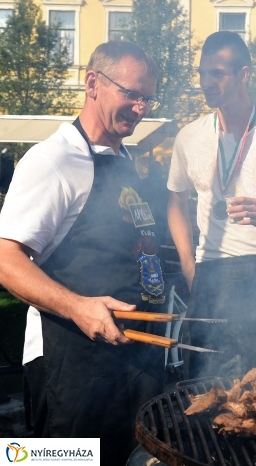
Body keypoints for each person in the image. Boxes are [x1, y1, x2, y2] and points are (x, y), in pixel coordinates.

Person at [0, 41, 165, 464]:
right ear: (93, 83)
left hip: (135, 364)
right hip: (72, 371)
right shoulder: (53, 160)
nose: (141, 108)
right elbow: (5, 258)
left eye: (147, 97)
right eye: (131, 94)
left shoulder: (126, 160)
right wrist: (77, 307)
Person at [167, 31, 256, 378]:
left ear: (244, 75)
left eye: (217, 73)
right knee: (202, 381)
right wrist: (190, 266)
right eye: (202, 73)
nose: (206, 82)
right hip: (210, 272)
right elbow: (176, 201)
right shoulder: (188, 136)